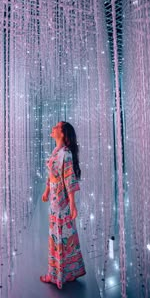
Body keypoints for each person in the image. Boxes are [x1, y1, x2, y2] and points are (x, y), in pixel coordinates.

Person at [40, 121, 86, 289]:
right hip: (54, 198)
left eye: (57, 127)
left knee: (60, 235)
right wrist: (46, 191)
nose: (52, 128)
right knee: (61, 235)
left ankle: (57, 275)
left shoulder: (65, 154)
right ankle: (68, 272)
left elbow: (68, 177)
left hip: (61, 201)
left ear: (63, 134)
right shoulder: (56, 152)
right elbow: (51, 174)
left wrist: (72, 204)